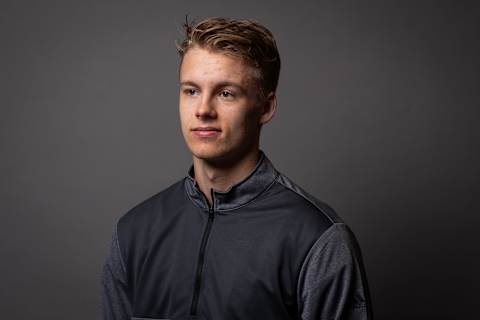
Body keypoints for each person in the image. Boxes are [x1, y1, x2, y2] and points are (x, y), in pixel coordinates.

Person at [101, 16, 373, 320]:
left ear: (266, 107)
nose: (203, 110)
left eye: (226, 93)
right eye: (191, 90)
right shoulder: (133, 233)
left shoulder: (318, 239)